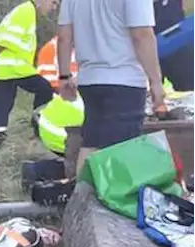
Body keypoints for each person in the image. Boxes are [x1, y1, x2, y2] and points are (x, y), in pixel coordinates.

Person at [58, 0, 166, 175]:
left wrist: (64, 76)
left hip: (89, 80)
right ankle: (112, 199)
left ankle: (82, 197)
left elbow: (64, 36)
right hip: (124, 79)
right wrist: (155, 81)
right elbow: (141, 35)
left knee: (91, 144)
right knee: (123, 150)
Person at [0, 0, 60, 150]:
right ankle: (38, 126)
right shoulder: (26, 12)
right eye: (53, 2)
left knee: (3, 102)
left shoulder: (24, 10)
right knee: (45, 88)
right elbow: (7, 40)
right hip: (14, 67)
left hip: (4, 66)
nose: (54, 7)